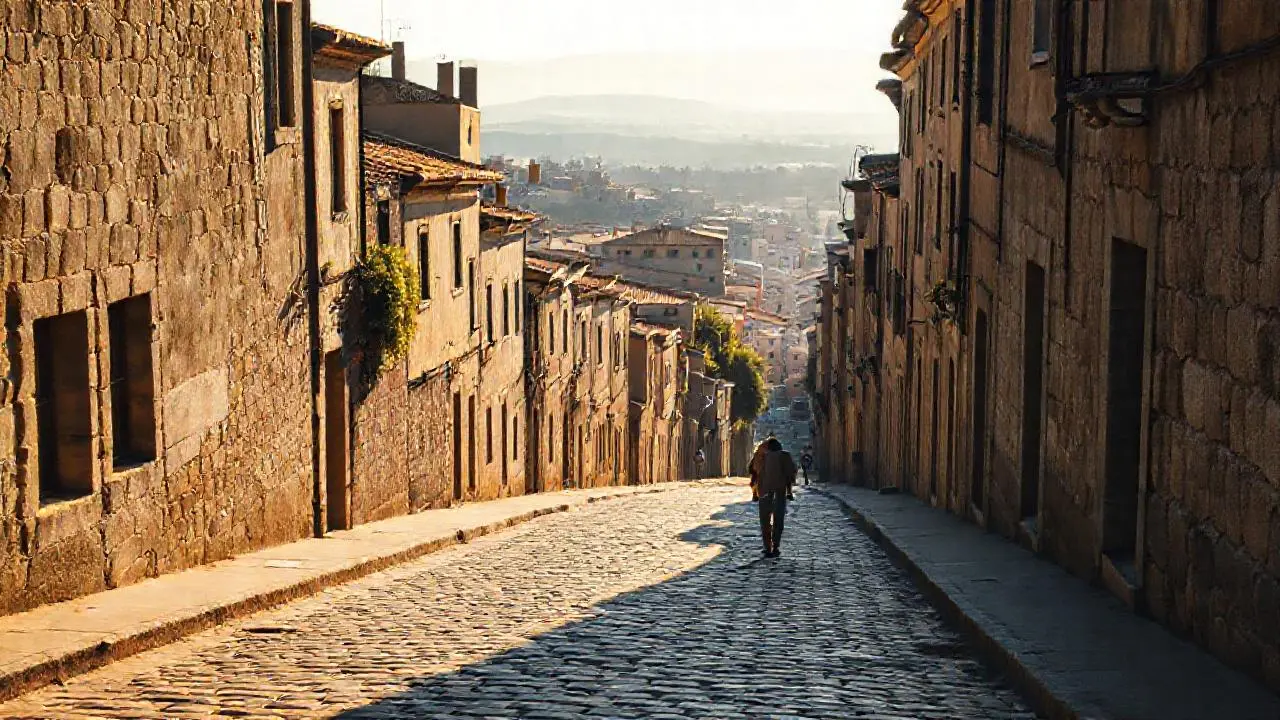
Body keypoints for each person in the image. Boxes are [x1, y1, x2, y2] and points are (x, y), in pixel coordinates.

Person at [756, 438, 797, 558]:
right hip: (779, 492)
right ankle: (776, 546)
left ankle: (767, 547)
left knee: (765, 521)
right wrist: (789, 490)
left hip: (764, 492)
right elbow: (791, 473)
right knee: (778, 519)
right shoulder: (785, 456)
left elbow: (756, 472)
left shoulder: (763, 457)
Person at [748, 435, 774, 502]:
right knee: (754, 482)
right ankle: (755, 494)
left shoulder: (765, 450)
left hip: (762, 470)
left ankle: (756, 494)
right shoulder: (762, 450)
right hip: (759, 470)